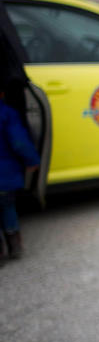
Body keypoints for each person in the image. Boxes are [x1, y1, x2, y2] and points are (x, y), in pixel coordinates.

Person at [0, 90, 40, 262]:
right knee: (8, 208)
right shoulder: (7, 113)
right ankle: (14, 244)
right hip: (4, 177)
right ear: (2, 94)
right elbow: (19, 142)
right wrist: (32, 160)